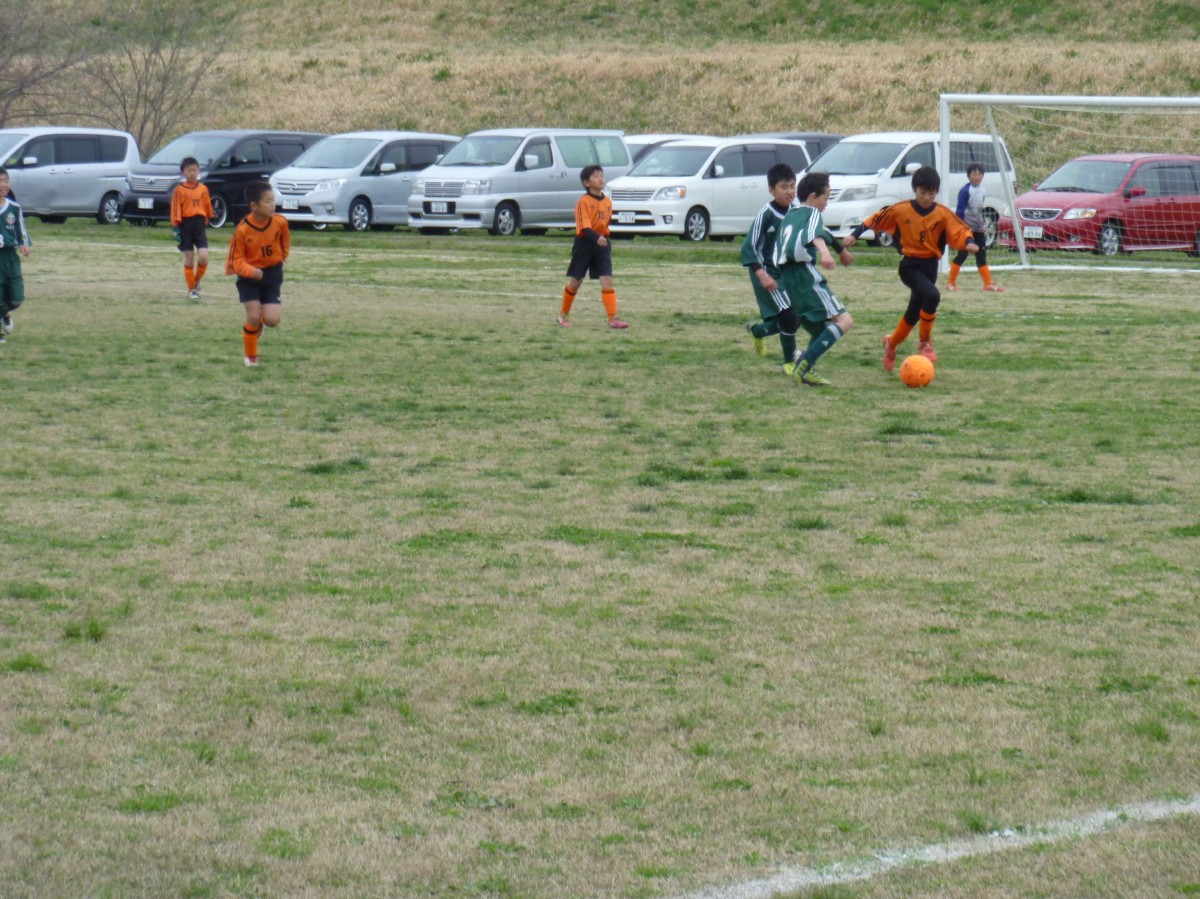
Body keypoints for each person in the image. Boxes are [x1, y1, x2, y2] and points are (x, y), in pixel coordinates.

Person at [843, 166, 978, 370]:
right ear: (914, 189)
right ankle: (925, 342)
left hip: (930, 267)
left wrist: (968, 242)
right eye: (922, 192)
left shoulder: (942, 214)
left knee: (914, 313)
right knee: (932, 296)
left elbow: (960, 229)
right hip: (910, 266)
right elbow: (876, 218)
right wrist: (854, 235)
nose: (926, 197)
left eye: (931, 193)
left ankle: (891, 343)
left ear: (936, 192)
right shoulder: (901, 209)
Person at [771, 171, 854, 386]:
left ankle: (806, 369)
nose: (826, 204)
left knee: (820, 329)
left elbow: (822, 231)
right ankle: (805, 363)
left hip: (787, 278)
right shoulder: (813, 213)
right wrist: (826, 255)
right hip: (803, 275)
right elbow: (815, 234)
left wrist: (840, 250)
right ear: (813, 196)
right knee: (845, 321)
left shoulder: (792, 213)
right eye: (826, 198)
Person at [225, 181, 289, 367]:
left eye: (273, 200)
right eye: (268, 201)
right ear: (254, 205)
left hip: (272, 275)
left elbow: (284, 243)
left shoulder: (280, 222)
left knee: (272, 320)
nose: (272, 205)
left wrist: (282, 256)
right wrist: (251, 271)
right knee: (252, 318)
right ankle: (251, 356)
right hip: (249, 279)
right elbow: (235, 261)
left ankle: (261, 320)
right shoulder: (243, 230)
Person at [557, 164, 627, 329]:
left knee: (607, 280)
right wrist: (597, 238)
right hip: (585, 244)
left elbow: (605, 224)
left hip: (602, 244)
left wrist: (603, 238)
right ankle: (563, 315)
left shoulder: (608, 202)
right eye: (596, 176)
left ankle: (613, 319)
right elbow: (584, 227)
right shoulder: (584, 202)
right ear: (587, 182)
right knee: (576, 281)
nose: (600, 179)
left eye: (602, 175)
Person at [741, 163, 797, 366]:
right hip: (766, 271)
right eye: (784, 187)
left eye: (792, 186)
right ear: (772, 190)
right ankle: (790, 364)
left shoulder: (797, 211)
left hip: (786, 273)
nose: (789, 191)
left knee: (795, 316)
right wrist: (761, 274)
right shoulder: (766, 214)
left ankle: (757, 331)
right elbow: (748, 247)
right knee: (789, 315)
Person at [947, 162, 1003, 293]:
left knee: (981, 255)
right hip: (967, 229)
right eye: (974, 174)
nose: (977, 177)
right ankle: (950, 282)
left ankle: (988, 284)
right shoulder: (965, 191)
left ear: (983, 176)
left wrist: (982, 223)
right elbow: (959, 211)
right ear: (969, 176)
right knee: (962, 254)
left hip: (978, 228)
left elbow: (979, 209)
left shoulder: (983, 190)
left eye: (979, 174)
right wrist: (961, 228)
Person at [171, 156, 214, 300]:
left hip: (199, 225)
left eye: (194, 170)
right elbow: (176, 208)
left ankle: (196, 281)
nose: (192, 173)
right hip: (185, 225)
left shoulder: (203, 189)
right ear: (183, 172)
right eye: (189, 170)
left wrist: (208, 218)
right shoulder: (179, 190)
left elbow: (207, 206)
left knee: (203, 257)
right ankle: (192, 290)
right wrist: (176, 227)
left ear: (198, 171)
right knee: (189, 259)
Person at [0, 167, 32, 345]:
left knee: (17, 298)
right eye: (0, 181)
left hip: (10, 258)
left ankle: (4, 313)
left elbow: (21, 230)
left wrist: (23, 244)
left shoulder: (14, 208)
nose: (3, 185)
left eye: (6, 181)